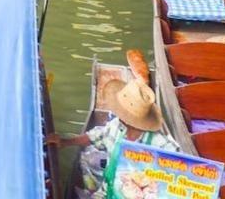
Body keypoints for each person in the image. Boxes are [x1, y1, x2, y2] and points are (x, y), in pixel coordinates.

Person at [51, 66, 178, 199]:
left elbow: (181, 167)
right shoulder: (116, 126)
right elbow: (95, 136)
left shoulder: (161, 144)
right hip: (108, 193)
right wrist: (65, 142)